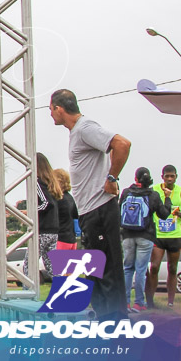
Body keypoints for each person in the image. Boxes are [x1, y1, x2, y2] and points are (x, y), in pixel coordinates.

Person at [50, 88, 131, 319]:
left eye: (51, 110)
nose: (51, 115)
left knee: (109, 274)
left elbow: (122, 144)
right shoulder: (76, 132)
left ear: (59, 108)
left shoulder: (85, 128)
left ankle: (118, 332)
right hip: (89, 213)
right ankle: (105, 326)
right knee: (95, 274)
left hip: (101, 210)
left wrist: (112, 178)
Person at [121, 166, 170, 312]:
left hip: (127, 236)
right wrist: (167, 198)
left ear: (136, 179)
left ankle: (125, 302)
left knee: (127, 269)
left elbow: (119, 210)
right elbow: (164, 214)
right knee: (141, 270)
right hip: (145, 236)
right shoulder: (153, 195)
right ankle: (139, 303)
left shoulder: (126, 192)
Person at [146, 164, 181, 308]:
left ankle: (171, 302)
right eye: (167, 176)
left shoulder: (179, 191)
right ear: (162, 177)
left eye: (172, 176)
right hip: (158, 235)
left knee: (173, 268)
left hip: (175, 235)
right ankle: (150, 302)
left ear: (176, 177)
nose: (170, 179)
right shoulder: (154, 190)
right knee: (154, 267)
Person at [25, 152, 61, 280]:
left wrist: (31, 213)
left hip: (41, 230)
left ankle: (28, 293)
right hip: (53, 231)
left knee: (29, 265)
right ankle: (63, 292)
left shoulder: (36, 182)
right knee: (52, 266)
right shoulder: (51, 184)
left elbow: (46, 203)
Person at [53, 168, 80, 250]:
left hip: (60, 239)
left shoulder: (57, 199)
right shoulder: (70, 198)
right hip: (71, 239)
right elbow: (76, 216)